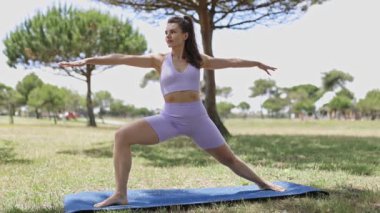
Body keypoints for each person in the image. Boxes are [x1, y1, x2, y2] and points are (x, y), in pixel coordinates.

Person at [59, 15, 285, 208]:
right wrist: (87, 60)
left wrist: (256, 62)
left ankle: (263, 184)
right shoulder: (158, 60)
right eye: (166, 32)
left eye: (173, 32)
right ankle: (121, 193)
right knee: (122, 135)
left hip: (198, 119)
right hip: (169, 119)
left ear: (185, 35)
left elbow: (230, 62)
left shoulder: (198, 59)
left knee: (229, 159)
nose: (168, 36)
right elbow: (121, 58)